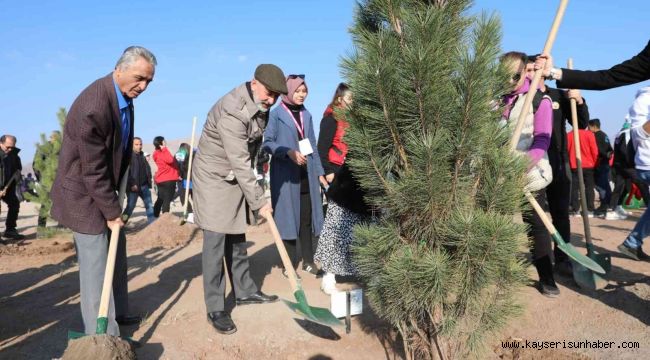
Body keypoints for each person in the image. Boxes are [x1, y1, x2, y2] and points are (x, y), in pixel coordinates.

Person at [50, 46, 156, 338]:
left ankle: (118, 316)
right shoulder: (93, 106)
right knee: (97, 267)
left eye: (148, 81)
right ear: (118, 69)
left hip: (106, 190)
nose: (143, 86)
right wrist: (111, 212)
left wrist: (114, 205)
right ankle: (103, 337)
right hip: (83, 196)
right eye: (139, 78)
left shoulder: (124, 97)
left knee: (116, 254)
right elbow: (92, 170)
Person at [192, 64, 285, 334]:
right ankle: (215, 306)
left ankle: (244, 290)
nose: (271, 100)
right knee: (216, 240)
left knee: (237, 235)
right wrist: (259, 200)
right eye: (269, 93)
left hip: (234, 175)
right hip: (213, 177)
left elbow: (251, 153)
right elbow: (240, 161)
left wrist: (253, 192)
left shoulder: (260, 107)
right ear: (254, 83)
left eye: (277, 96)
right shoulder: (232, 111)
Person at [525, 57, 589, 275]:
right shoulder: (523, 97)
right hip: (531, 165)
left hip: (558, 162)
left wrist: (579, 101)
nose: (533, 72)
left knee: (561, 213)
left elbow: (581, 124)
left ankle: (562, 259)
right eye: (530, 68)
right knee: (536, 218)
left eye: (537, 68)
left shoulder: (558, 95)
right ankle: (543, 265)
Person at [501, 52, 557, 296]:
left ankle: (547, 277)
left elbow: (542, 140)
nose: (509, 80)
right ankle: (493, 274)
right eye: (503, 75)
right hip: (499, 174)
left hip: (528, 174)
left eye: (515, 74)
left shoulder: (538, 100)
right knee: (494, 225)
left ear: (525, 71)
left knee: (537, 227)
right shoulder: (495, 101)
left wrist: (523, 166)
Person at [262, 75, 328, 278]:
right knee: (288, 219)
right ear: (289, 91)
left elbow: (313, 147)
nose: (302, 95)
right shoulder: (276, 114)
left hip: (306, 175)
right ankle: (288, 265)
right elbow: (268, 142)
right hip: (285, 176)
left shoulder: (307, 115)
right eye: (298, 91)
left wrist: (320, 174)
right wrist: (287, 152)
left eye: (304, 91)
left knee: (306, 220)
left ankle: (308, 261)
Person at [317, 83, 353, 184]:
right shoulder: (330, 119)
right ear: (339, 99)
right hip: (334, 168)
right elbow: (321, 148)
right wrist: (328, 171)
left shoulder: (350, 120)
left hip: (347, 168)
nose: (352, 102)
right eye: (350, 99)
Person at [566, 127, 599, 216]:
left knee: (574, 189)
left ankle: (575, 209)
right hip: (589, 165)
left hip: (574, 165)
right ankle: (590, 210)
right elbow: (594, 151)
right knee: (589, 188)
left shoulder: (569, 135)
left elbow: (567, 151)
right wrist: (595, 163)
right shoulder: (589, 134)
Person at [123, 137, 154, 223]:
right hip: (133, 187)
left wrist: (149, 180)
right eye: (136, 144)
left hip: (144, 186)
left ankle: (152, 224)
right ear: (132, 145)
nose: (139, 146)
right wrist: (132, 184)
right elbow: (126, 173)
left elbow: (147, 169)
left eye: (140, 144)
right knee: (130, 207)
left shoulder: (142, 155)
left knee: (149, 205)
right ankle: (121, 223)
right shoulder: (128, 156)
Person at [0, 135, 24, 240]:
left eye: (12, 147)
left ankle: (10, 230)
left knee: (14, 203)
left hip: (8, 186)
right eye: (7, 147)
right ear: (1, 143)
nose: (10, 149)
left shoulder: (13, 154)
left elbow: (18, 168)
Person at [588, 119, 613, 216]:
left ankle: (603, 207)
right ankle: (608, 204)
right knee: (605, 185)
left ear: (593, 126)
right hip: (605, 164)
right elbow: (610, 150)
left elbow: (597, 151)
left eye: (589, 127)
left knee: (600, 186)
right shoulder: (604, 135)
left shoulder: (596, 136)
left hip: (599, 164)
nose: (588, 129)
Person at [152, 136, 179, 217]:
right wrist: (165, 149)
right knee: (167, 200)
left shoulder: (155, 153)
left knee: (160, 198)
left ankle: (155, 215)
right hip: (169, 179)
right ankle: (165, 219)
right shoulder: (163, 152)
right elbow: (170, 160)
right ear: (161, 142)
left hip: (161, 179)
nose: (165, 142)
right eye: (164, 141)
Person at [175, 142, 194, 223]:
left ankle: (199, 214)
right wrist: (178, 174)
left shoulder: (194, 154)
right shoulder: (178, 155)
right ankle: (190, 213)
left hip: (194, 179)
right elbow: (177, 166)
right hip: (184, 180)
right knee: (183, 197)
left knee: (195, 198)